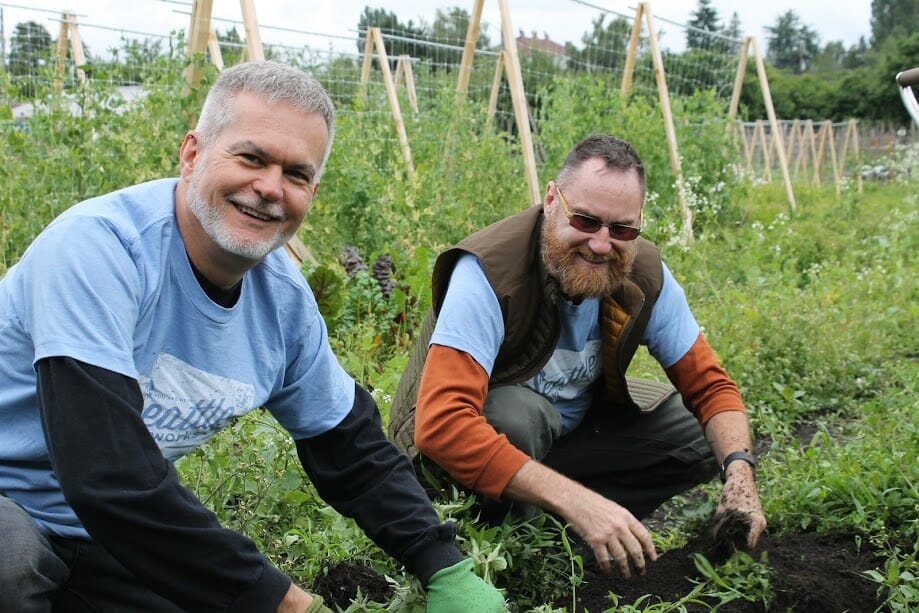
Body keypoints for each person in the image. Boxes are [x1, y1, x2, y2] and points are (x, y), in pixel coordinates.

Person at [0, 60, 505, 613]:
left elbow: (350, 447)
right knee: (11, 561)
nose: (269, 188)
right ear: (192, 154)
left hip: (108, 534)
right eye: (251, 158)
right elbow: (107, 474)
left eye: (296, 174)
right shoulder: (101, 251)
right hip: (18, 506)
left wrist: (444, 566)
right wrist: (280, 600)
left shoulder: (282, 302)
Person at [389, 134, 767, 579]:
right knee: (516, 416)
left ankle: (567, 532)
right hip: (453, 458)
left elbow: (711, 387)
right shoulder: (488, 273)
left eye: (622, 229)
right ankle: (513, 552)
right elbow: (441, 426)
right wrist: (577, 499)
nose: (602, 244)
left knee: (700, 431)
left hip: (564, 439)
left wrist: (740, 477)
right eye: (585, 221)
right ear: (552, 199)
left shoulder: (644, 272)